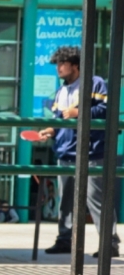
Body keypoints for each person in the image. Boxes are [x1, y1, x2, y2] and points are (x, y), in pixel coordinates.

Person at [38, 46, 120, 257]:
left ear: (75, 65)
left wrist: (79, 111)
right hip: (65, 153)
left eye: (62, 64)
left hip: (92, 153)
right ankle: (65, 240)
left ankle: (109, 244)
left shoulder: (96, 83)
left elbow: (106, 111)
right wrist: (50, 131)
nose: (58, 68)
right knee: (65, 200)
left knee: (96, 199)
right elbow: (59, 119)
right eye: (57, 64)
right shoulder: (61, 90)